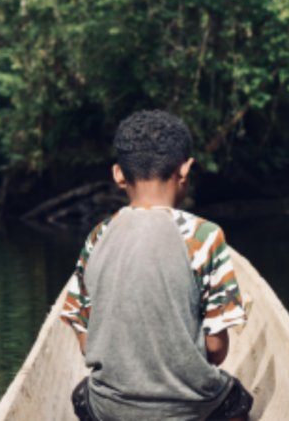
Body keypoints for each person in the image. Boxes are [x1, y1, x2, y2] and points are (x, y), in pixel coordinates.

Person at [59, 110, 254, 421]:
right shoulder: (205, 236)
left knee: (81, 395)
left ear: (118, 174)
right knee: (239, 399)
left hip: (110, 410)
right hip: (190, 409)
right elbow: (216, 351)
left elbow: (86, 344)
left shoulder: (98, 236)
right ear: (185, 169)